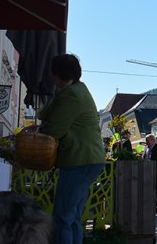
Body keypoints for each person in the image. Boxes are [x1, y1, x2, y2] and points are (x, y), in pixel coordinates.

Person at [38, 54, 106, 244]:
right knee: (73, 217)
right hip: (89, 159)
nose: (51, 77)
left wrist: (38, 130)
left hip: (79, 159)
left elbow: (53, 129)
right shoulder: (77, 90)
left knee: (62, 218)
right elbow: (48, 114)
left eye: (53, 73)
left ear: (58, 74)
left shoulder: (71, 95)